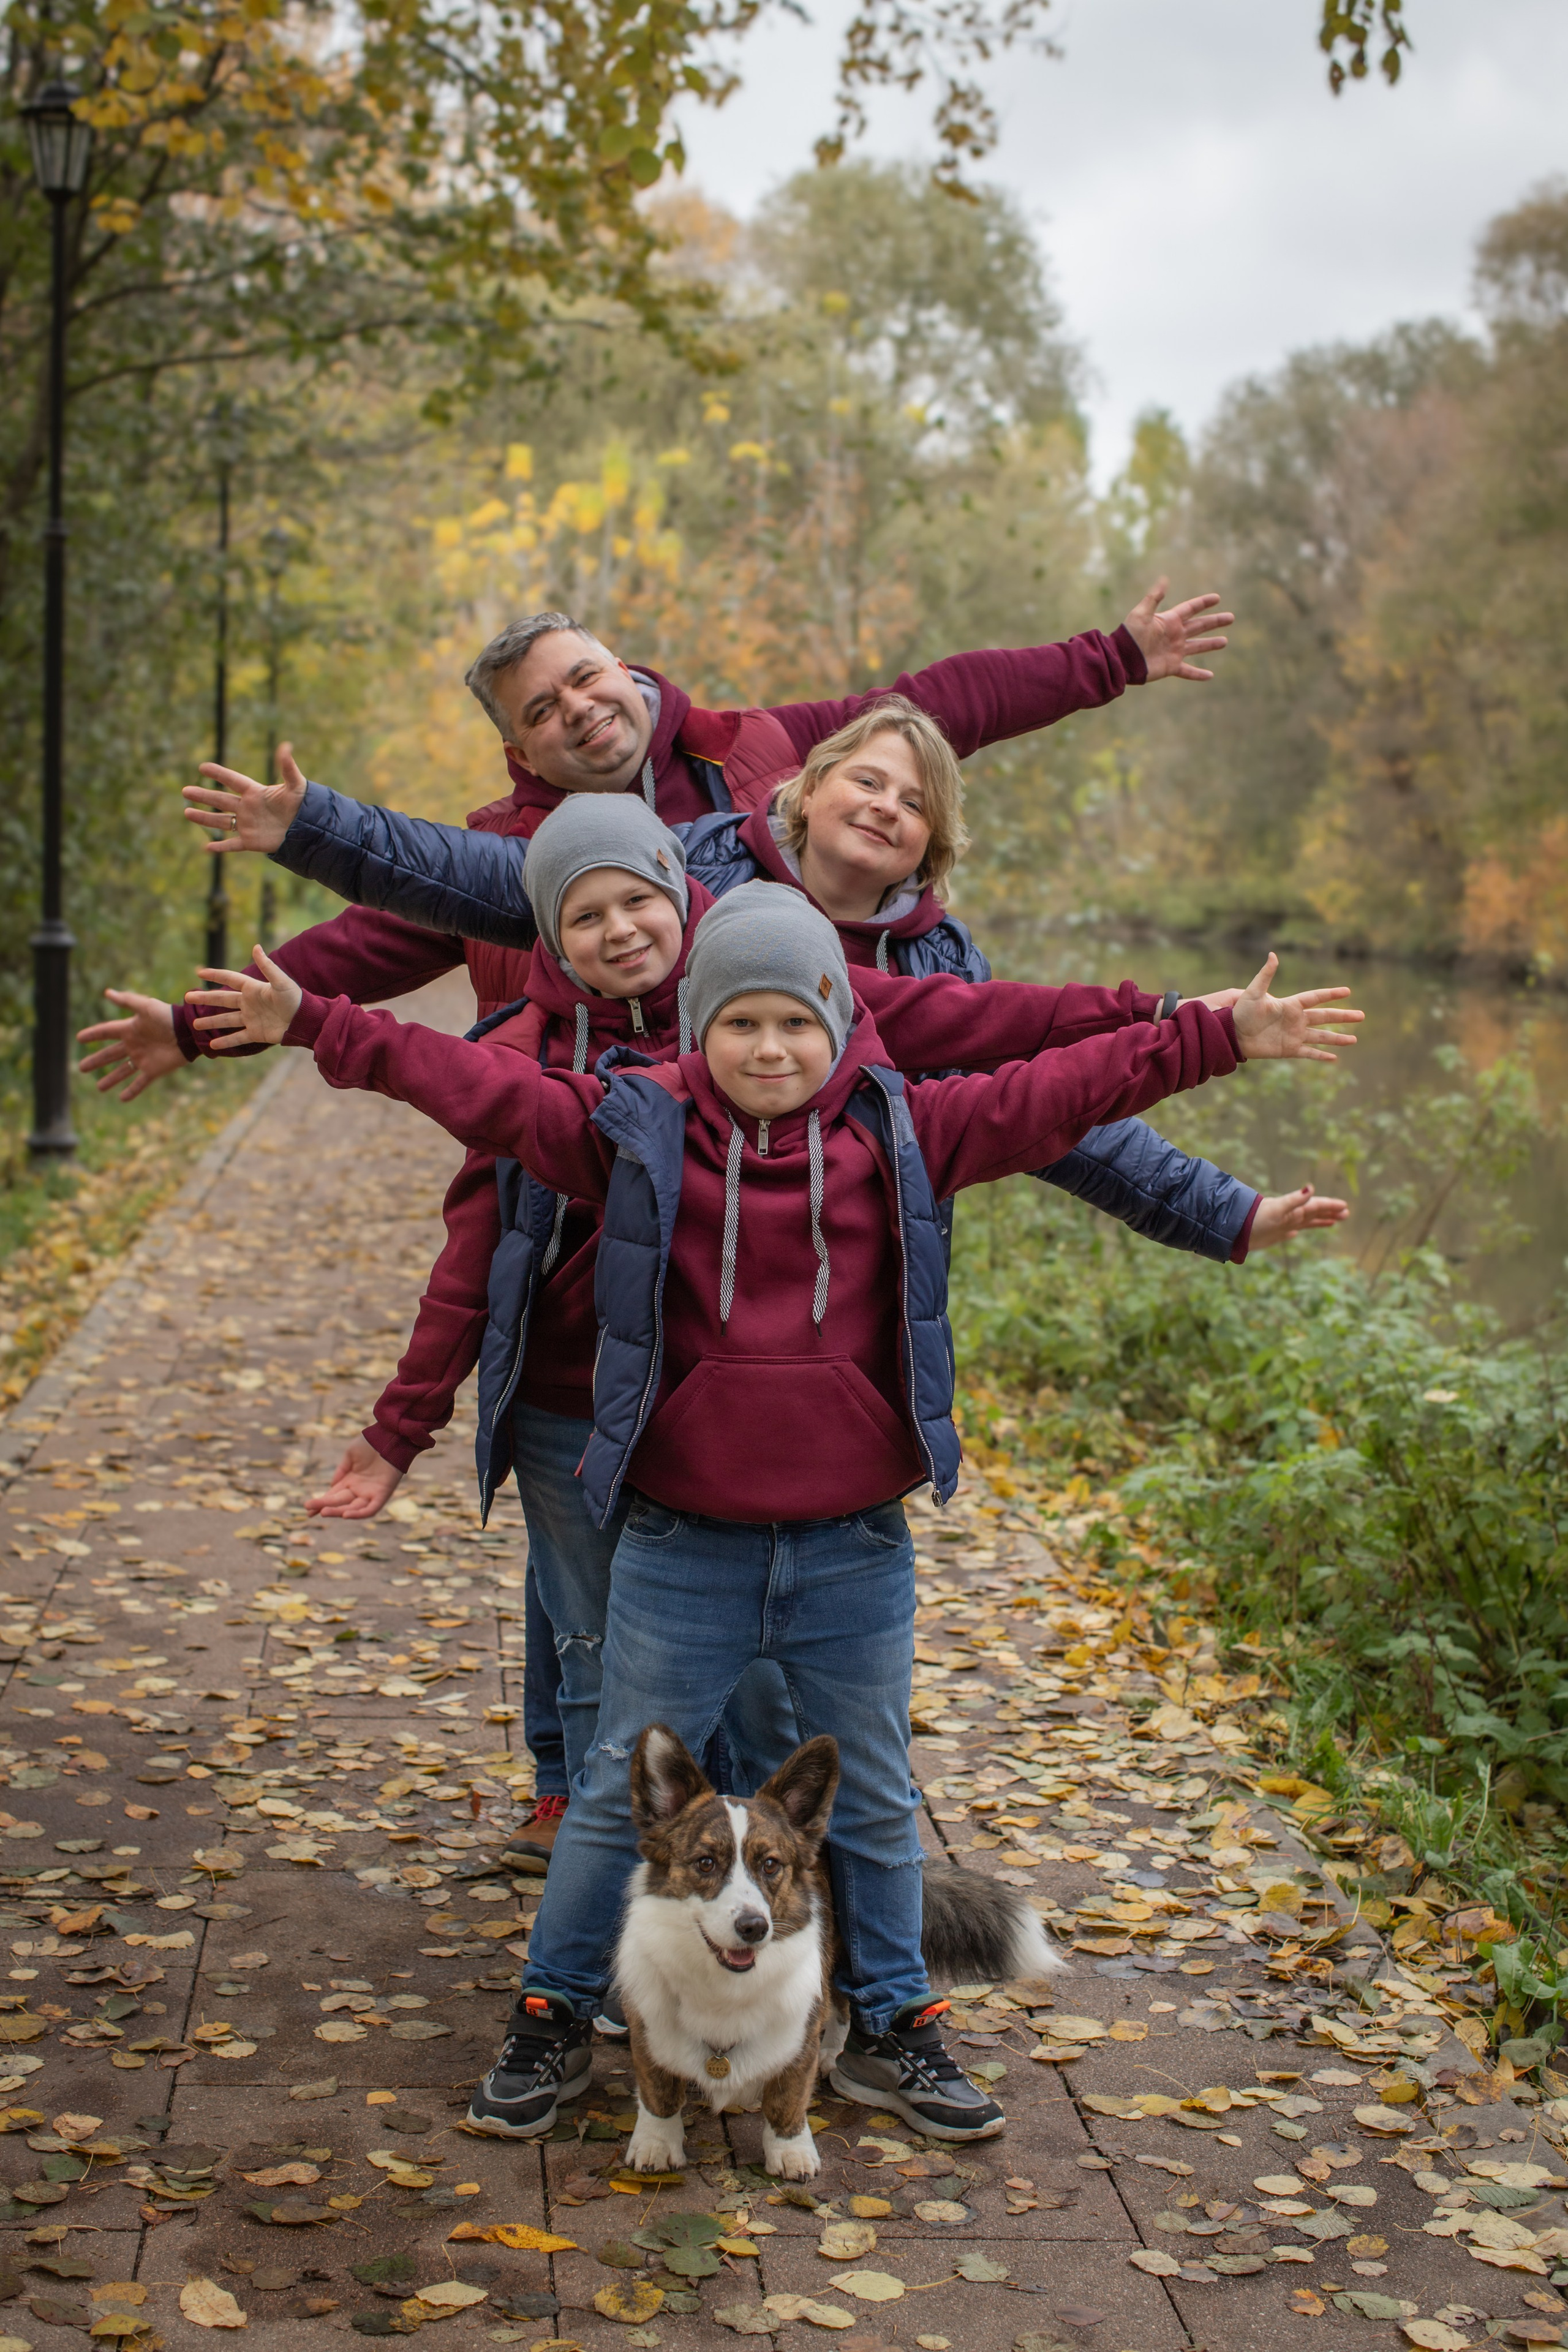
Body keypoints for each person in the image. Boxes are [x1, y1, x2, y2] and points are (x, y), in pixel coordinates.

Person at [193, 884, 1361, 2143]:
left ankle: (896, 2026)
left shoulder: (908, 1134)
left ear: (837, 1023)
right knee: (608, 1795)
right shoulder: (632, 1133)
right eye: (737, 1022)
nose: (767, 1049)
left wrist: (1214, 1036)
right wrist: (317, 1020)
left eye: (794, 1022)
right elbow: (479, 1090)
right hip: (678, 1546)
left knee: (867, 1799)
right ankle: (547, 2019)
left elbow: (1056, 1090)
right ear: (698, 1029)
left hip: (850, 1548)